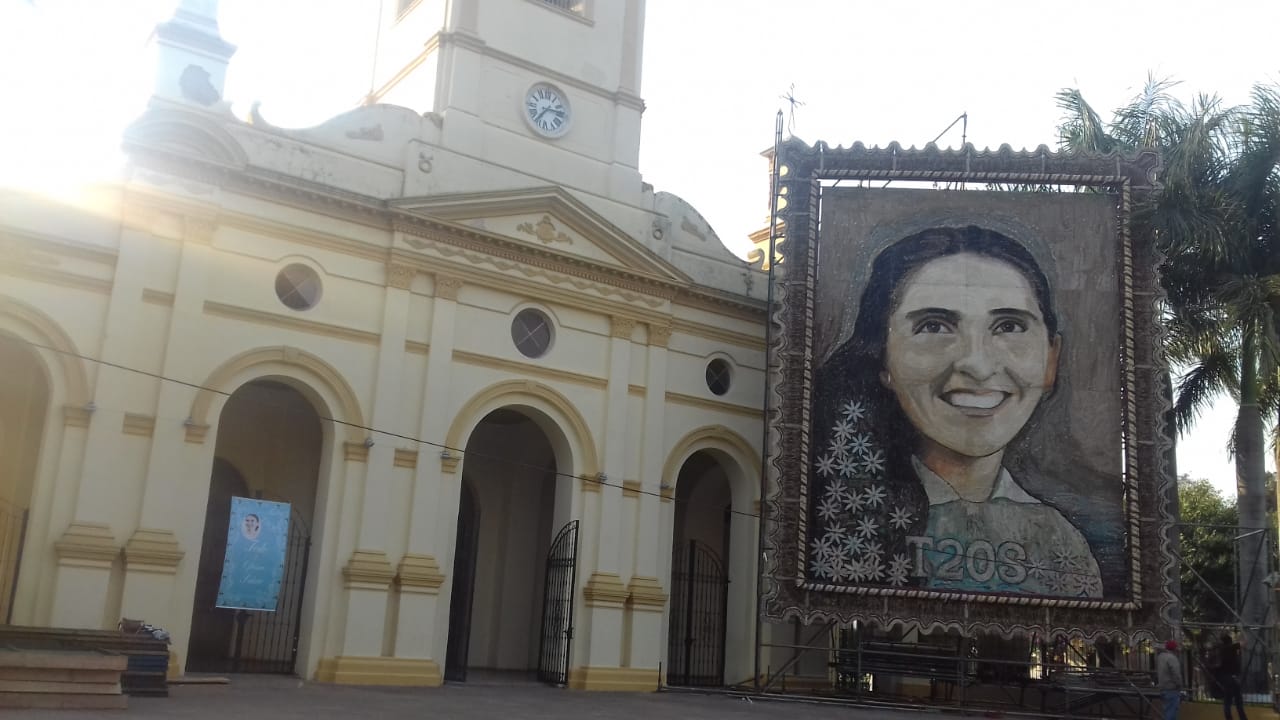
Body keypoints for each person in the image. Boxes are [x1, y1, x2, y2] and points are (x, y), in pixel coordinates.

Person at [807, 225, 1102, 596]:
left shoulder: (1061, 542)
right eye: (934, 325)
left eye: (1009, 326)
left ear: (1050, 360)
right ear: (883, 357)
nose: (977, 365)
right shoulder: (839, 519)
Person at [1214, 632, 1248, 720]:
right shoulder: (1231, 647)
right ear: (1230, 641)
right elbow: (1244, 642)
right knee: (1238, 702)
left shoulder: (1221, 650)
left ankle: (1229, 718)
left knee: (1227, 701)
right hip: (1232, 678)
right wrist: (1242, 632)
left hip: (1225, 678)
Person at [1156, 639, 1183, 720]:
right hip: (1172, 689)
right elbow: (1176, 674)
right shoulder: (1172, 658)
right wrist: (1180, 685)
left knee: (1167, 711)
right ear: (1175, 649)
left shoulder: (1160, 657)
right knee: (1171, 713)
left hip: (1162, 688)